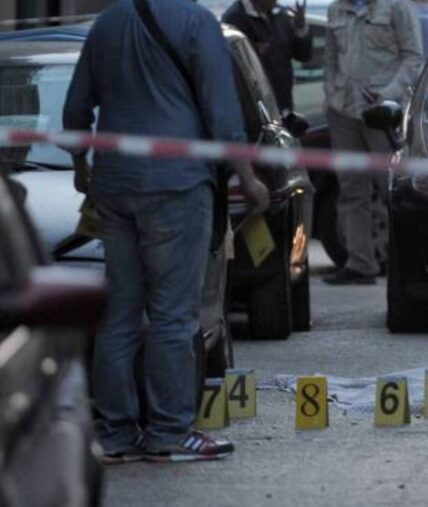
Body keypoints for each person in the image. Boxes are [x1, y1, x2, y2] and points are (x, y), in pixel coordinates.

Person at [64, 0, 269, 463]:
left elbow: (76, 107)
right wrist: (249, 178)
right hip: (176, 186)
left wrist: (80, 165)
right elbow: (223, 115)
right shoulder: (197, 24)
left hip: (114, 184)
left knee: (119, 315)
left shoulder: (107, 24)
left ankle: (114, 435)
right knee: (173, 315)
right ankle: (169, 432)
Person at [322, 0, 423, 285]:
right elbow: (330, 59)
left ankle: (409, 263)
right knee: (351, 191)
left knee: (393, 190)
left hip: (382, 113)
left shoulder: (397, 7)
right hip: (343, 111)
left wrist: (388, 94)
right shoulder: (336, 9)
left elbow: (413, 58)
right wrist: (331, 93)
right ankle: (360, 263)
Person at [221, 0, 312, 120]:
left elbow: (303, 56)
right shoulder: (235, 18)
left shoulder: (281, 15)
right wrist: (255, 49)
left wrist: (301, 28)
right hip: (256, 109)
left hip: (283, 105)